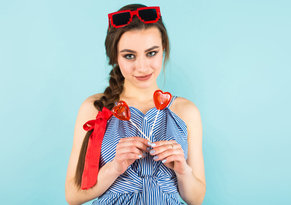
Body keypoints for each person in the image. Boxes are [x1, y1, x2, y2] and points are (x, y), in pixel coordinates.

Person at [65, 4, 206, 205]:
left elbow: (196, 198)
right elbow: (72, 195)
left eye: (151, 53)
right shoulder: (94, 108)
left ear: (163, 49)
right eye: (129, 55)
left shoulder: (186, 111)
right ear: (115, 56)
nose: (142, 67)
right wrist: (114, 167)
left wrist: (183, 170)